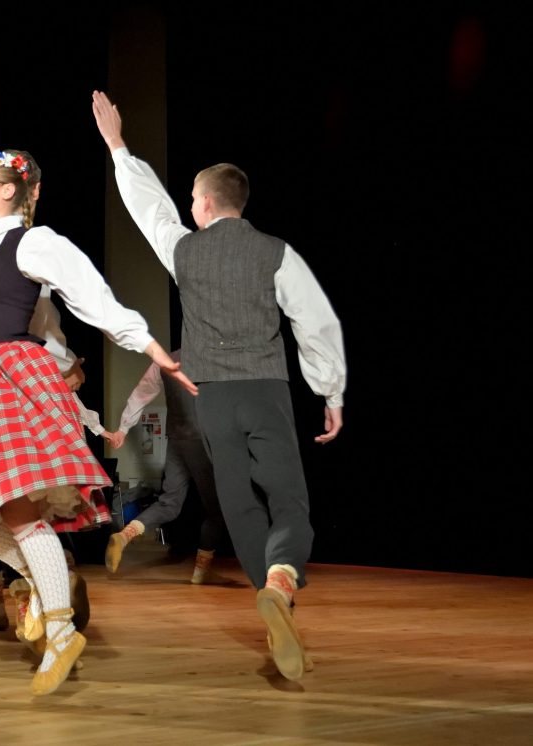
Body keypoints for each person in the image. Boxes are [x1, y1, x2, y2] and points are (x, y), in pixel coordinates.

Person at [0, 52, 193, 697]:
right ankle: (44, 609)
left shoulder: (34, 241)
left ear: (10, 190)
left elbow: (93, 296)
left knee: (21, 510)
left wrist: (147, 343)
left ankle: (59, 629)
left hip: (5, 375)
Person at [93, 90, 346, 680]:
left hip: (212, 397)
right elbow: (314, 321)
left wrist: (118, 147)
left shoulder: (184, 249)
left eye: (192, 199)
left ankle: (273, 600)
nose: (188, 207)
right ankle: (281, 580)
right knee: (288, 499)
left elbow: (150, 210)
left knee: (238, 505)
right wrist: (330, 392)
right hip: (265, 389)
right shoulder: (276, 252)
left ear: (204, 203)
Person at [103, 352, 226, 584]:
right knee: (216, 510)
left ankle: (125, 535)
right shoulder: (212, 354)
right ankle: (201, 571)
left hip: (177, 440)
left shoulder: (167, 359)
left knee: (169, 502)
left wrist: (123, 428)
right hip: (202, 440)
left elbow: (141, 392)